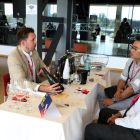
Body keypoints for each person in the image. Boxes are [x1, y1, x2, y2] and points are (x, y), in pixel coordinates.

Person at [7, 27, 61, 94]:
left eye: (35, 39)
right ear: (23, 43)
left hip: (34, 91)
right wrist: (43, 88)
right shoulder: (14, 57)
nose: (36, 42)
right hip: (20, 95)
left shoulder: (34, 51)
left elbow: (42, 66)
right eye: (32, 40)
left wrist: (45, 70)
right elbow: (21, 82)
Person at [97, 36, 140, 110]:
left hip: (135, 97)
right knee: (101, 95)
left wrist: (113, 100)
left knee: (110, 108)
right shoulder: (130, 61)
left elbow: (132, 89)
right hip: (126, 90)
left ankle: (108, 116)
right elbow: (122, 78)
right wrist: (119, 89)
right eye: (132, 47)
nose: (131, 50)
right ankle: (105, 119)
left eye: (135, 49)